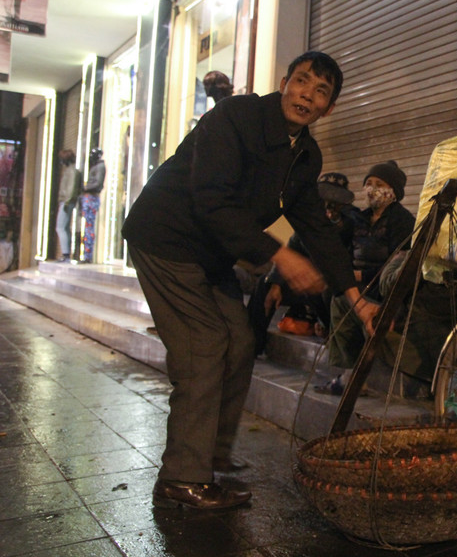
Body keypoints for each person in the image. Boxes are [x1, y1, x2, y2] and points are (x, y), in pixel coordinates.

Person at [121, 51, 376, 511]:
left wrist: (358, 302)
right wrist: (280, 256)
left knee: (239, 340)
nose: (307, 95)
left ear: (329, 107)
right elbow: (212, 201)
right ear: (284, 82)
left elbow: (317, 229)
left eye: (320, 92)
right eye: (301, 82)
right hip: (166, 237)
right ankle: (184, 476)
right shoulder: (236, 117)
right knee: (205, 347)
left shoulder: (304, 156)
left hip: (209, 252)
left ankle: (207, 459)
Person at [321, 160, 415, 395]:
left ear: (393, 191)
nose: (372, 189)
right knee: (336, 295)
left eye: (379, 184)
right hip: (358, 286)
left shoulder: (402, 221)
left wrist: (361, 274)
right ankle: (347, 373)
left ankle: (358, 377)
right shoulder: (358, 219)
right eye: (368, 183)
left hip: (383, 289)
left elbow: (398, 268)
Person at [248, 172, 357, 353]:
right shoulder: (309, 221)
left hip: (330, 284)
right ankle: (253, 344)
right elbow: (291, 250)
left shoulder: (350, 222)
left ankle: (331, 331)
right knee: (265, 285)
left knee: (331, 288)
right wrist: (276, 284)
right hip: (307, 283)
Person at [55, 148, 82, 262]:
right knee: (64, 228)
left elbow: (71, 189)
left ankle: (66, 254)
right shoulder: (71, 171)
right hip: (67, 201)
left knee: (60, 227)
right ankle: (66, 254)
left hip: (67, 202)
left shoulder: (72, 172)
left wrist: (66, 202)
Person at [78, 147, 104, 263]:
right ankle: (86, 254)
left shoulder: (100, 167)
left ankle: (88, 255)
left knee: (89, 226)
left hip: (92, 197)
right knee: (87, 226)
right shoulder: (96, 166)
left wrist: (85, 187)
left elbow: (98, 183)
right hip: (89, 197)